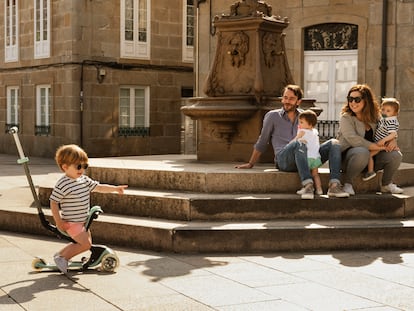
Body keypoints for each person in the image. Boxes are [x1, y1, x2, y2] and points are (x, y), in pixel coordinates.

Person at [235, 84, 349, 200]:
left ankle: (334, 186)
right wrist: (251, 163)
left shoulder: (305, 116)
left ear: (298, 101)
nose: (287, 101)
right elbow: (263, 141)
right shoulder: (272, 116)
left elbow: (312, 138)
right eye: (285, 98)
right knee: (299, 142)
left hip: (307, 158)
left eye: (291, 99)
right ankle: (308, 185)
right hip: (285, 159)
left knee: (334, 143)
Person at [50, 144, 128, 273]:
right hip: (71, 223)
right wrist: (58, 221)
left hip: (82, 221)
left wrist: (114, 188)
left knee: (83, 243)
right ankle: (63, 258)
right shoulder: (63, 184)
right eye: (78, 166)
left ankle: (59, 255)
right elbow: (53, 202)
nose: (82, 169)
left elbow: (99, 187)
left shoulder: (84, 180)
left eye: (84, 166)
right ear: (65, 167)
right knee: (85, 244)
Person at [337, 84, 403, 195]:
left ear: (366, 101)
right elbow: (354, 139)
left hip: (371, 157)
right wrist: (378, 146)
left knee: (396, 155)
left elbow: (387, 129)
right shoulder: (346, 118)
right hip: (349, 158)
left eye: (357, 99)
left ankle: (386, 184)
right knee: (362, 151)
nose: (353, 102)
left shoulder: (375, 116)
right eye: (350, 99)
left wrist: (393, 140)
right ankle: (347, 184)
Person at [363, 98, 400, 181]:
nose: (384, 112)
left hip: (380, 143)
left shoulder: (391, 121)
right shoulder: (385, 118)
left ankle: (370, 171)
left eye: (388, 111)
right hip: (379, 141)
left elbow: (393, 134)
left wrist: (384, 141)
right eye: (383, 109)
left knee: (369, 155)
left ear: (395, 113)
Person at [294, 110, 323, 195]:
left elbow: (296, 141)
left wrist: (298, 137)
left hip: (307, 157)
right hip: (316, 157)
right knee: (316, 175)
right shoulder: (314, 132)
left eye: (301, 122)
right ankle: (319, 189)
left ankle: (305, 187)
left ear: (309, 124)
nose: (299, 124)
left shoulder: (302, 132)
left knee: (304, 172)